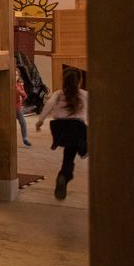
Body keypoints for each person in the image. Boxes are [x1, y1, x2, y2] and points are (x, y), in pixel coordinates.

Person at [35, 68, 89, 200]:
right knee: (81, 143)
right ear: (80, 81)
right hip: (76, 128)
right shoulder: (84, 94)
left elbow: (49, 104)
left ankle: (65, 174)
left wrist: (40, 121)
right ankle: (66, 173)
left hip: (59, 129)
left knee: (69, 153)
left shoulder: (58, 94)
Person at [15, 77, 32, 147]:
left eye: (16, 75)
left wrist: (22, 94)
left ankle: (25, 138)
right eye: (14, 74)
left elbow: (24, 95)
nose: (15, 76)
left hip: (17, 106)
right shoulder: (8, 84)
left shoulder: (19, 84)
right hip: (8, 107)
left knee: (22, 122)